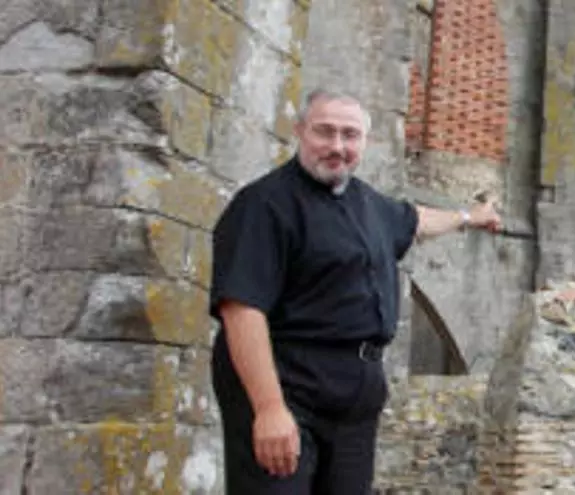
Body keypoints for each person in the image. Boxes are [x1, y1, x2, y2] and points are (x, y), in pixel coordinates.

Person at [208, 88, 502, 494]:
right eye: (324, 132)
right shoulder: (264, 204)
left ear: (364, 141)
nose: (337, 146)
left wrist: (470, 216)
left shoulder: (370, 205)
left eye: (350, 135)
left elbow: (416, 221)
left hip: (355, 399)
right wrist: (269, 409)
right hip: (288, 385)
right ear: (300, 131)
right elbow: (241, 310)